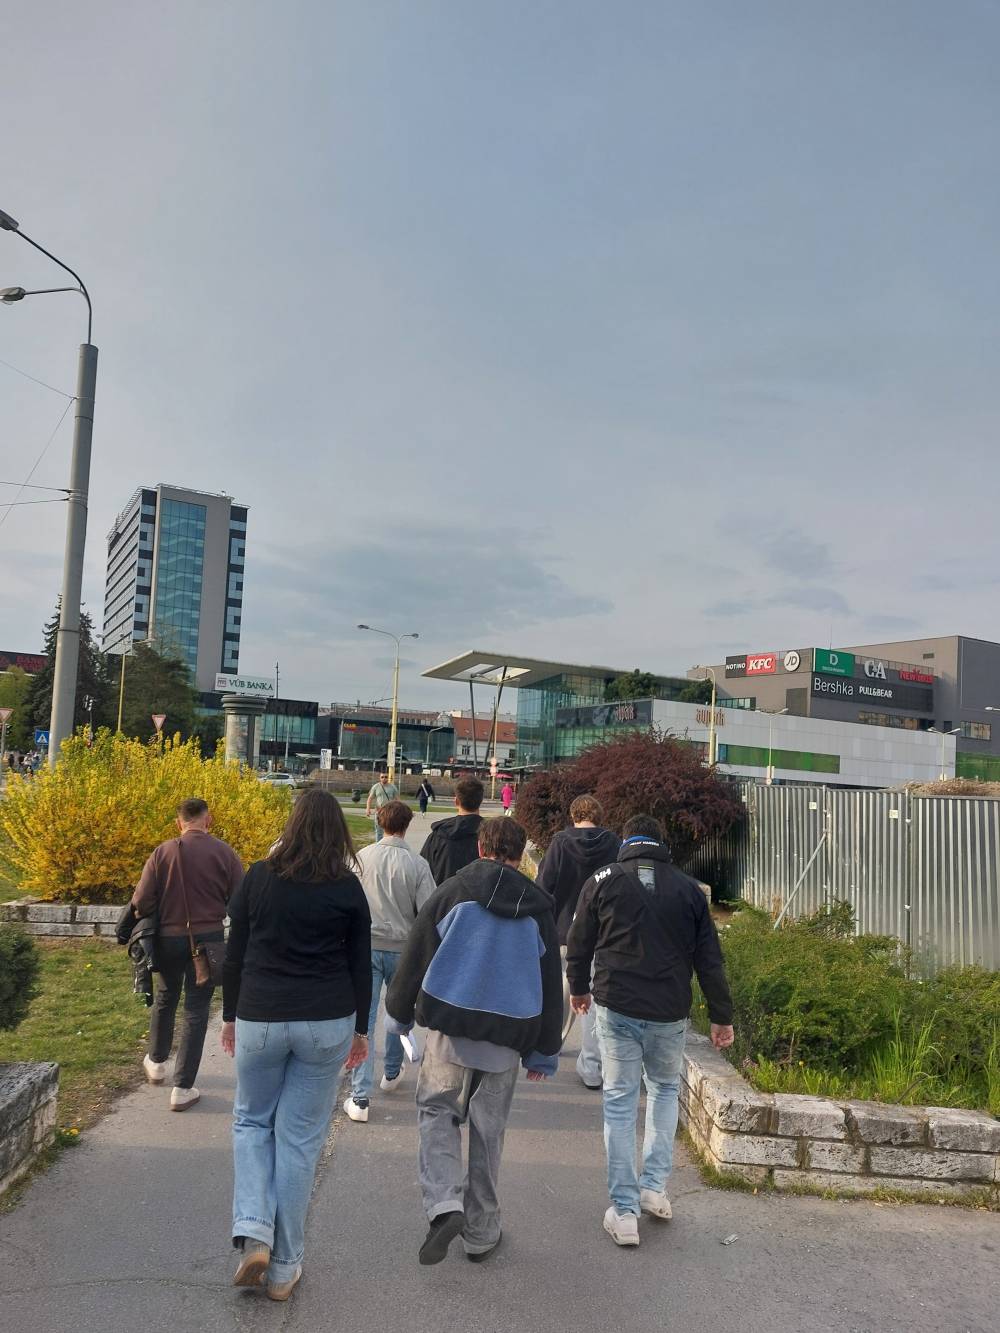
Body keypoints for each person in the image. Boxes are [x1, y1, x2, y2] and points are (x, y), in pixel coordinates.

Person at [386, 816, 563, 1265]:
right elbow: (549, 981)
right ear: (520, 855)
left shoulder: (453, 892)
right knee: (488, 1135)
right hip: (506, 1042)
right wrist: (543, 1052)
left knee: (437, 1114)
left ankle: (445, 1204)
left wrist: (399, 1015)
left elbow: (417, 954)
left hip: (451, 1032)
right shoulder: (538, 909)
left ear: (481, 848)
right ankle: (481, 1232)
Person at [222, 789, 372, 1301]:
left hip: (261, 1014)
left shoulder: (258, 877)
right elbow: (360, 964)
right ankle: (284, 1268)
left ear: (292, 823)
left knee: (251, 1121)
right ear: (338, 832)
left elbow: (236, 953)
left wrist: (229, 1016)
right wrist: (361, 1029)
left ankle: (254, 1232)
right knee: (300, 1139)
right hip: (327, 1018)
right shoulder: (347, 887)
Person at [566, 814, 734, 1249]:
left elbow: (579, 940)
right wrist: (722, 1016)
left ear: (627, 841)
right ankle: (654, 1188)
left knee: (620, 1103)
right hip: (669, 1011)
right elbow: (709, 959)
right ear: (661, 844)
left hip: (617, 1004)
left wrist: (579, 989)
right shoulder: (689, 890)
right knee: (663, 1092)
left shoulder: (603, 880)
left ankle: (624, 1213)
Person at [131, 797, 244, 1110]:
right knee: (197, 1008)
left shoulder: (163, 852)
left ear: (178, 822)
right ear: (209, 820)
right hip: (208, 939)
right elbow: (240, 901)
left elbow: (141, 901)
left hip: (168, 938)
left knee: (166, 997)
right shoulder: (225, 853)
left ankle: (156, 1062)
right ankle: (182, 1087)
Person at [343, 800, 438, 1123]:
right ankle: (392, 1071)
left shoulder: (360, 858)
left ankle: (360, 1094)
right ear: (407, 826)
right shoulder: (417, 864)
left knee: (364, 1020)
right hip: (403, 948)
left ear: (379, 822)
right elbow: (428, 911)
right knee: (398, 1013)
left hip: (366, 946)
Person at [537, 794, 621, 1089]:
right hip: (601, 931)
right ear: (599, 816)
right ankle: (592, 1065)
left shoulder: (560, 843)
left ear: (574, 816)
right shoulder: (613, 844)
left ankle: (553, 1044)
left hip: (563, 928)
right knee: (591, 998)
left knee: (562, 990)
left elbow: (544, 885)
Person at [420, 776, 484, 885]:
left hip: (442, 893)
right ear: (480, 801)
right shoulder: (491, 835)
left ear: (456, 801)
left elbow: (422, 871)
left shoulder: (438, 836)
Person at [365, 771, 399, 843]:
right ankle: (379, 844)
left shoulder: (393, 787)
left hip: (389, 812)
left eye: (386, 777)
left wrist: (398, 810)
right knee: (379, 831)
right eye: (382, 777)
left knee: (390, 830)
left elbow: (397, 800)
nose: (384, 778)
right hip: (379, 811)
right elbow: (370, 798)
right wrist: (368, 809)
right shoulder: (376, 787)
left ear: (388, 778)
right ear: (380, 778)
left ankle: (388, 844)